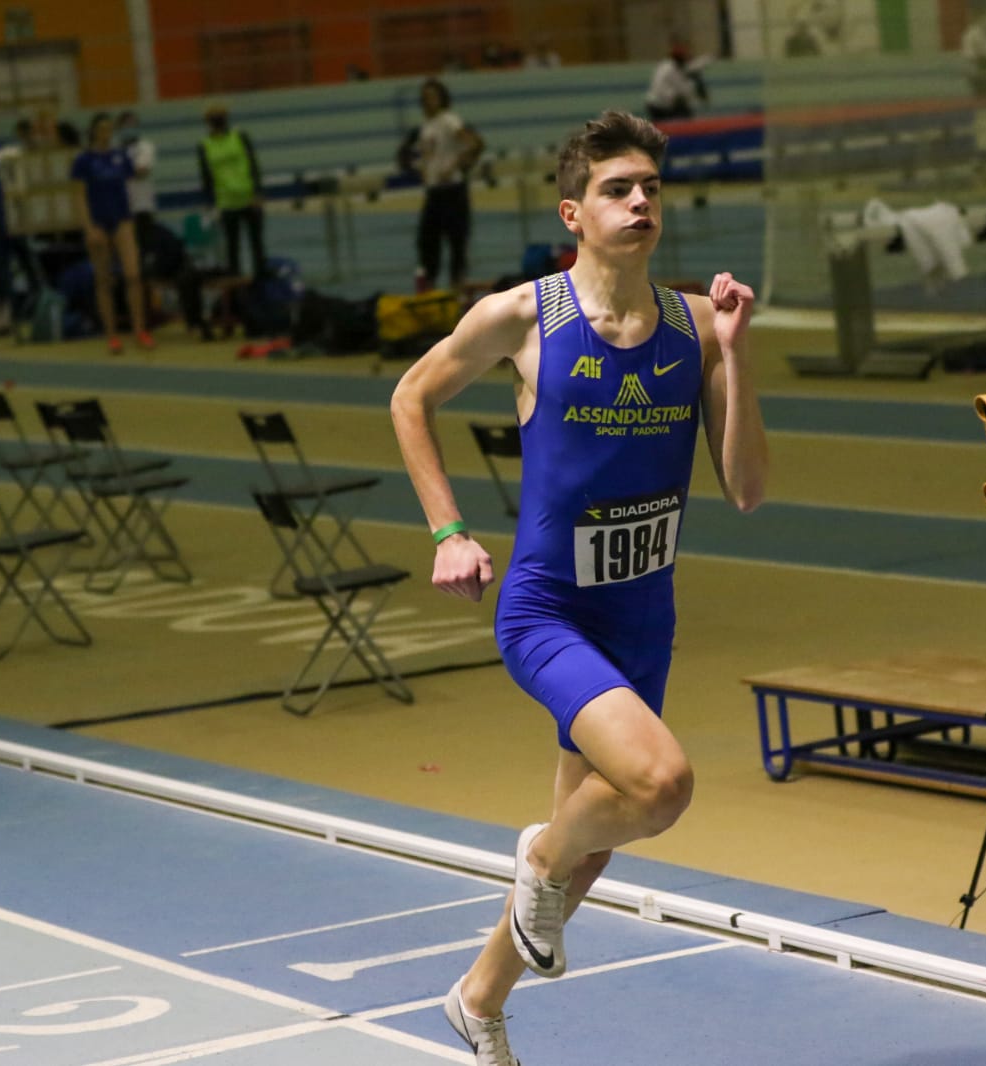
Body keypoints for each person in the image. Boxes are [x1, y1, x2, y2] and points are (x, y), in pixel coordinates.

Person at [389, 110, 768, 1065]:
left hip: (642, 615)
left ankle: (477, 1002)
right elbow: (410, 396)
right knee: (658, 785)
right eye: (616, 189)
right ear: (574, 213)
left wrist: (735, 351)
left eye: (650, 188)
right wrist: (447, 530)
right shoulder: (523, 317)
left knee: (589, 846)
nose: (639, 202)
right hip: (548, 612)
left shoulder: (694, 324)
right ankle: (537, 857)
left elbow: (746, 489)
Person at [71, 112, 153, 354]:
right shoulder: (84, 160)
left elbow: (132, 181)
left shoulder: (120, 156)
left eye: (109, 129)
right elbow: (79, 195)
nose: (106, 134)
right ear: (94, 132)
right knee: (104, 279)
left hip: (122, 218)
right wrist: (88, 227)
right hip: (98, 221)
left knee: (133, 275)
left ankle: (140, 330)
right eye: (102, 129)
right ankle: (112, 335)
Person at [412, 79, 484, 293]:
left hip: (452, 191)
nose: (429, 101)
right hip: (434, 191)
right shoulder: (426, 125)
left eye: (433, 96)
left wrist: (456, 165)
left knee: (456, 243)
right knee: (427, 242)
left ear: (442, 98)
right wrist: (425, 170)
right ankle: (430, 291)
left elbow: (475, 143)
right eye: (426, 97)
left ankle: (457, 291)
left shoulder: (448, 120)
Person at [197, 105, 266, 277]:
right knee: (232, 247)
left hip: (249, 197)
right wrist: (211, 203)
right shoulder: (204, 145)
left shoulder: (240, 136)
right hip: (226, 202)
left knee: (257, 244)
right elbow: (206, 176)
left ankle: (262, 279)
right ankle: (236, 282)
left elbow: (253, 164)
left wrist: (258, 192)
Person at [644, 40, 709, 121]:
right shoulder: (672, 69)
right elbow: (682, 90)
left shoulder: (666, 65)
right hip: (660, 105)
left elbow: (693, 66)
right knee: (685, 113)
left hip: (655, 103)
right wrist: (698, 90)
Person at [961, 8, 986, 97]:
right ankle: (980, 92)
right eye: (984, 19)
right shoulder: (970, 33)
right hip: (976, 61)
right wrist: (977, 57)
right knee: (979, 81)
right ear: (979, 20)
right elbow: (968, 52)